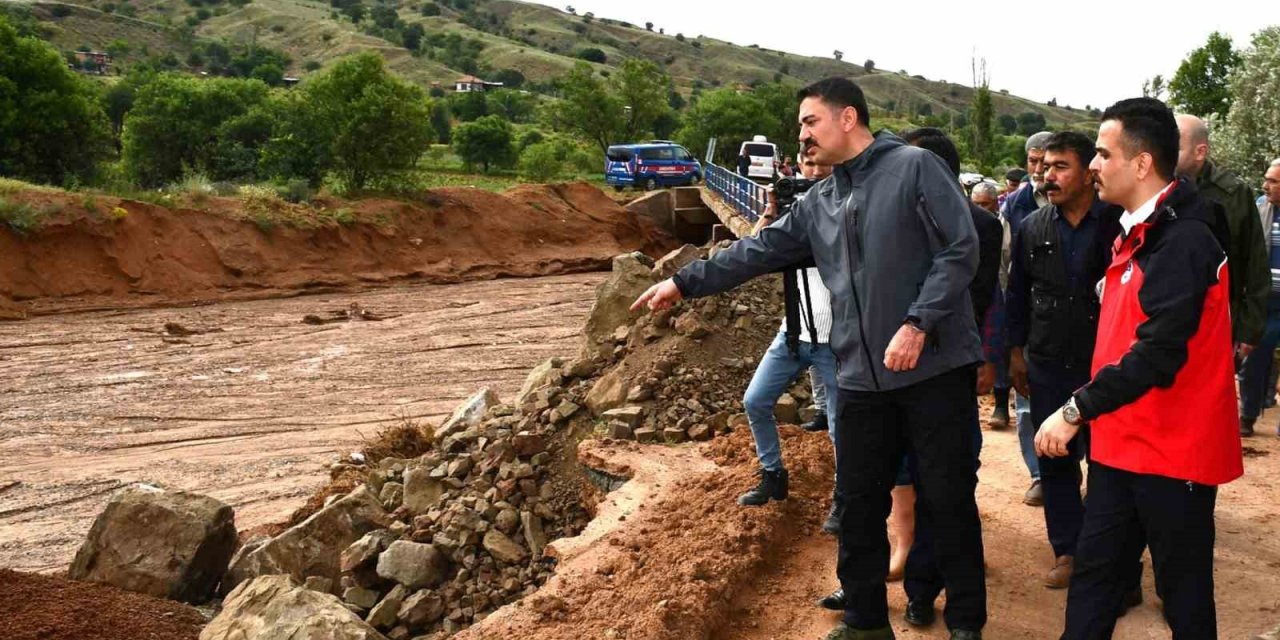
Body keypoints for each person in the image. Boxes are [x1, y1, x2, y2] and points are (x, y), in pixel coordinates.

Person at [632, 77, 986, 640]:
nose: (801, 135)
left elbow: (960, 249)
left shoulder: (915, 168)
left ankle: (966, 622)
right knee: (857, 502)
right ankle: (865, 621)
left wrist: (918, 322)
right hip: (861, 378)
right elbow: (760, 249)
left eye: (809, 122)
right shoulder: (822, 199)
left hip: (932, 370)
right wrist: (684, 281)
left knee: (948, 498)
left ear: (848, 119)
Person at [1036, 97, 1243, 639]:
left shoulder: (1185, 240)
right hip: (1120, 447)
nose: (1094, 165)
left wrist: (1075, 408)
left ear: (1142, 163)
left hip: (1175, 454)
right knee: (1096, 580)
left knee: (1185, 594)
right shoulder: (1136, 233)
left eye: (1103, 154)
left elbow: (1158, 353)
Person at [1006, 131, 1123, 590]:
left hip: (1106, 363)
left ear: (1088, 171)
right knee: (1054, 457)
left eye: (1060, 167)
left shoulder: (1118, 223)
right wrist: (1015, 353)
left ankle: (1110, 560)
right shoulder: (1034, 226)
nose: (1046, 175)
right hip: (1049, 361)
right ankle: (1068, 551)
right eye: (1044, 166)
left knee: (1109, 464)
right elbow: (1016, 294)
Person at [735, 156, 842, 528]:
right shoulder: (790, 212)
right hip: (795, 332)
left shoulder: (846, 200)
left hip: (836, 340)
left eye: (821, 163)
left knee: (842, 426)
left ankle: (844, 499)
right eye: (806, 165)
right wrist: (771, 211)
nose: (813, 171)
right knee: (755, 400)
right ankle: (773, 475)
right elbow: (755, 251)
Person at [1176, 115, 1270, 435]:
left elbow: (1255, 263)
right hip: (1164, 314)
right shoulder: (1155, 185)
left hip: (1216, 320)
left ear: (1199, 151)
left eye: (1175, 143)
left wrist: (1249, 330)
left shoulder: (1233, 193)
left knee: (1205, 415)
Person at [1002, 132, 1054, 506]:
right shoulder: (1015, 206)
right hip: (1029, 317)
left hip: (1070, 321)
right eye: (1032, 161)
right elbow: (1007, 270)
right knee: (1026, 405)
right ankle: (1038, 474)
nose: (1038, 169)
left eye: (1045, 161)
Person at [1242, 157, 1280, 437]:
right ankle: (1247, 415)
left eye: (1273, 181)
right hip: (1265, 302)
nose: (1265, 185)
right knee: (1253, 358)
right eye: (1267, 179)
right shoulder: (1258, 208)